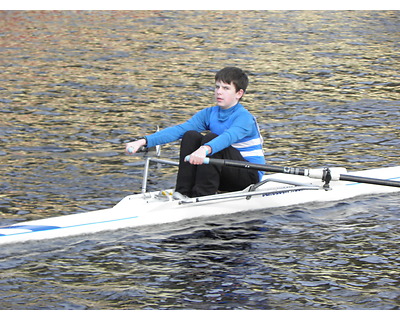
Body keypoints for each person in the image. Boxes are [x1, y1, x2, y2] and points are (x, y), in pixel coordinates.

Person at [125, 67, 265, 199]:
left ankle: (202, 195)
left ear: (239, 94)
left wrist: (205, 149)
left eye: (226, 88)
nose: (219, 92)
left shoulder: (245, 118)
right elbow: (179, 130)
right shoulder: (209, 113)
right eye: (217, 87)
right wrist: (143, 141)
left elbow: (228, 137)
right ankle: (183, 192)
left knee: (211, 138)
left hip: (248, 175)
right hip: (223, 172)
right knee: (190, 135)